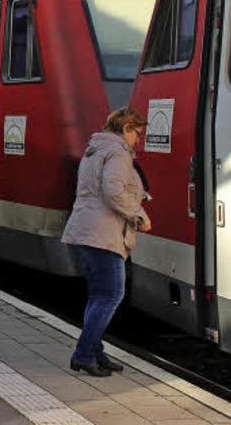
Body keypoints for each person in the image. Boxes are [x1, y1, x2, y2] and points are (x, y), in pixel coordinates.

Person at [62, 106, 152, 377]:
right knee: (111, 295)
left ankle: (96, 352)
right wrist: (138, 215)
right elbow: (113, 191)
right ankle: (84, 354)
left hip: (86, 230)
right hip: (103, 232)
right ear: (126, 128)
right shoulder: (118, 152)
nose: (138, 139)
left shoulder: (96, 149)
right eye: (137, 133)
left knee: (99, 295)